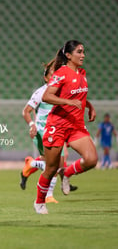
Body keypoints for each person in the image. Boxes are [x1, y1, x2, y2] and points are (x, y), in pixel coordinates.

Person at [34, 40, 97, 214]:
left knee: (92, 159)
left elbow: (77, 95)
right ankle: (39, 202)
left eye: (83, 51)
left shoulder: (82, 73)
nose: (83, 55)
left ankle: (67, 173)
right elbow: (47, 96)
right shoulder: (61, 73)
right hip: (58, 125)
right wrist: (69, 102)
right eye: (79, 52)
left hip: (76, 126)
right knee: (51, 168)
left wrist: (89, 106)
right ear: (68, 55)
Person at [20, 61, 77, 203]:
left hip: (57, 131)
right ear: (46, 79)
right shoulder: (41, 92)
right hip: (42, 133)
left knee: (58, 164)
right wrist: (32, 125)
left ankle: (31, 164)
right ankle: (48, 195)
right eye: (52, 76)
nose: (55, 79)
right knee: (54, 164)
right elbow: (25, 111)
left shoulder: (62, 92)